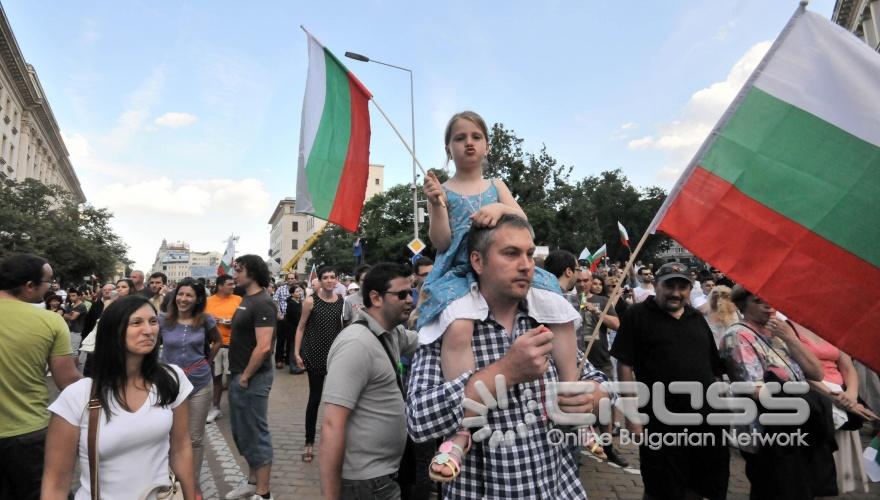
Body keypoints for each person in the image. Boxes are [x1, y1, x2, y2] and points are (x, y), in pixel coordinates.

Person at [418, 111, 579, 476]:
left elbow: (524, 225)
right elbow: (441, 242)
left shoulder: (496, 184)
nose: (468, 142)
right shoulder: (442, 188)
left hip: (501, 267)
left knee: (558, 308)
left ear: (487, 144)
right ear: (449, 147)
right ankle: (462, 430)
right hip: (459, 272)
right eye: (460, 138)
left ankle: (571, 392)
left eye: (475, 136)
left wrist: (499, 207)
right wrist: (435, 204)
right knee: (458, 328)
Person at [408, 215, 608, 497]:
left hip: (559, 489)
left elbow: (598, 383)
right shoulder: (448, 325)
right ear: (477, 262)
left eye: (528, 253)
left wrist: (591, 397)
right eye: (511, 253)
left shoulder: (548, 317)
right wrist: (505, 371)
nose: (526, 265)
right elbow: (418, 419)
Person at [41, 295, 196, 500]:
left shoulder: (171, 379)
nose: (149, 330)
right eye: (136, 323)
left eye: (152, 321)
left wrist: (190, 494)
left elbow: (181, 447)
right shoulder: (78, 396)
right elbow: (55, 483)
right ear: (113, 331)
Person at [611, 262, 729, 500]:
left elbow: (713, 368)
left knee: (704, 484)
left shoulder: (696, 318)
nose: (676, 292)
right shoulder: (637, 315)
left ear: (689, 289)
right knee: (661, 486)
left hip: (706, 422)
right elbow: (625, 364)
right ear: (656, 285)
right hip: (661, 422)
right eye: (669, 285)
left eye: (682, 287)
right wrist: (632, 416)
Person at [719, 286, 836, 499]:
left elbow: (815, 373)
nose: (768, 305)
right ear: (743, 305)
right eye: (758, 300)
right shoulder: (737, 335)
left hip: (797, 425)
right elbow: (755, 389)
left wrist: (790, 339)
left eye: (770, 299)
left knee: (797, 488)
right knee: (773, 489)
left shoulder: (777, 334)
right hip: (767, 432)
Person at [320, 263, 419, 500]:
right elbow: (332, 425)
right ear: (376, 298)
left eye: (412, 292)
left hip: (385, 476)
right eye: (402, 294)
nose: (410, 300)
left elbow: (427, 342)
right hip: (365, 484)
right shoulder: (356, 344)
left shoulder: (391, 332)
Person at [0, 254, 81, 499]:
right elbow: (67, 381)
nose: (51, 287)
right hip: (28, 432)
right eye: (48, 281)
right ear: (29, 286)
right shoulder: (50, 321)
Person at [160, 278, 221, 498]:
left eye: (189, 295)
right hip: (169, 385)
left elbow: (218, 341)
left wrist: (207, 361)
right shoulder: (162, 320)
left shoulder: (205, 320)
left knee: (194, 438)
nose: (183, 299)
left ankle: (192, 485)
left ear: (197, 299)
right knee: (167, 435)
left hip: (198, 382)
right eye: (181, 294)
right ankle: (169, 481)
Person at [796, 325, 877, 494]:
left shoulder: (833, 329)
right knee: (816, 471)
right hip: (815, 397)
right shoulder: (787, 327)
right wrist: (836, 397)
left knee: (836, 474)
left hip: (843, 397)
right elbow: (798, 369)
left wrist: (851, 395)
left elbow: (848, 366)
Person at [225, 255, 276, 500]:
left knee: (256, 432)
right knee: (242, 432)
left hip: (253, 378)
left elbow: (264, 346)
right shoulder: (247, 298)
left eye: (239, 270)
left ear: (252, 273)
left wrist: (245, 376)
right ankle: (252, 481)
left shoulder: (263, 302)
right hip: (239, 375)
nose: (234, 275)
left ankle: (263, 493)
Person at [294, 266, 344, 464]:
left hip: (336, 358)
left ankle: (335, 441)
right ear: (320, 281)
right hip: (314, 355)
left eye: (333, 277)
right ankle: (309, 442)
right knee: (314, 400)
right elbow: (300, 328)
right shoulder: (310, 301)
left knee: (336, 402)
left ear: (337, 280)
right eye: (326, 278)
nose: (330, 280)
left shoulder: (342, 302)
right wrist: (297, 352)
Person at [205, 275, 243, 423]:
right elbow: (200, 319)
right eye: (229, 284)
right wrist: (209, 320)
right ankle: (215, 407)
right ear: (220, 286)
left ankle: (236, 408)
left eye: (233, 284)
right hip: (214, 345)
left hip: (233, 345)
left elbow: (245, 319)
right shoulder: (208, 301)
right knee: (216, 378)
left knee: (232, 379)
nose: (233, 286)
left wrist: (233, 322)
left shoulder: (238, 300)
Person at [272, 273, 299, 370]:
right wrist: (278, 313)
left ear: (295, 279)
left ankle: (288, 359)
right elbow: (275, 300)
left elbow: (302, 302)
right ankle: (279, 360)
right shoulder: (281, 289)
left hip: (293, 319)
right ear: (286, 279)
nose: (291, 280)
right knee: (281, 339)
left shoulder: (298, 290)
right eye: (289, 278)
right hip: (282, 317)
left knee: (291, 340)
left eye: (292, 278)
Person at [63, 288, 88, 364]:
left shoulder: (81, 306)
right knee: (71, 350)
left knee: (74, 351)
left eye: (73, 295)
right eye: (70, 296)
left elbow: (72, 318)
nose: (71, 297)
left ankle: (74, 370)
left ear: (79, 296)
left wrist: (64, 315)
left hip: (78, 331)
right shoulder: (71, 305)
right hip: (70, 329)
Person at [284, 285, 305, 374]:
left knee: (299, 348)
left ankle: (299, 365)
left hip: (297, 329)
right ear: (292, 294)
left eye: (299, 291)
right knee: (294, 348)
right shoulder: (292, 304)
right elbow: (296, 318)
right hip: (293, 330)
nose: (299, 293)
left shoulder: (298, 302)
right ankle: (293, 367)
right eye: (297, 291)